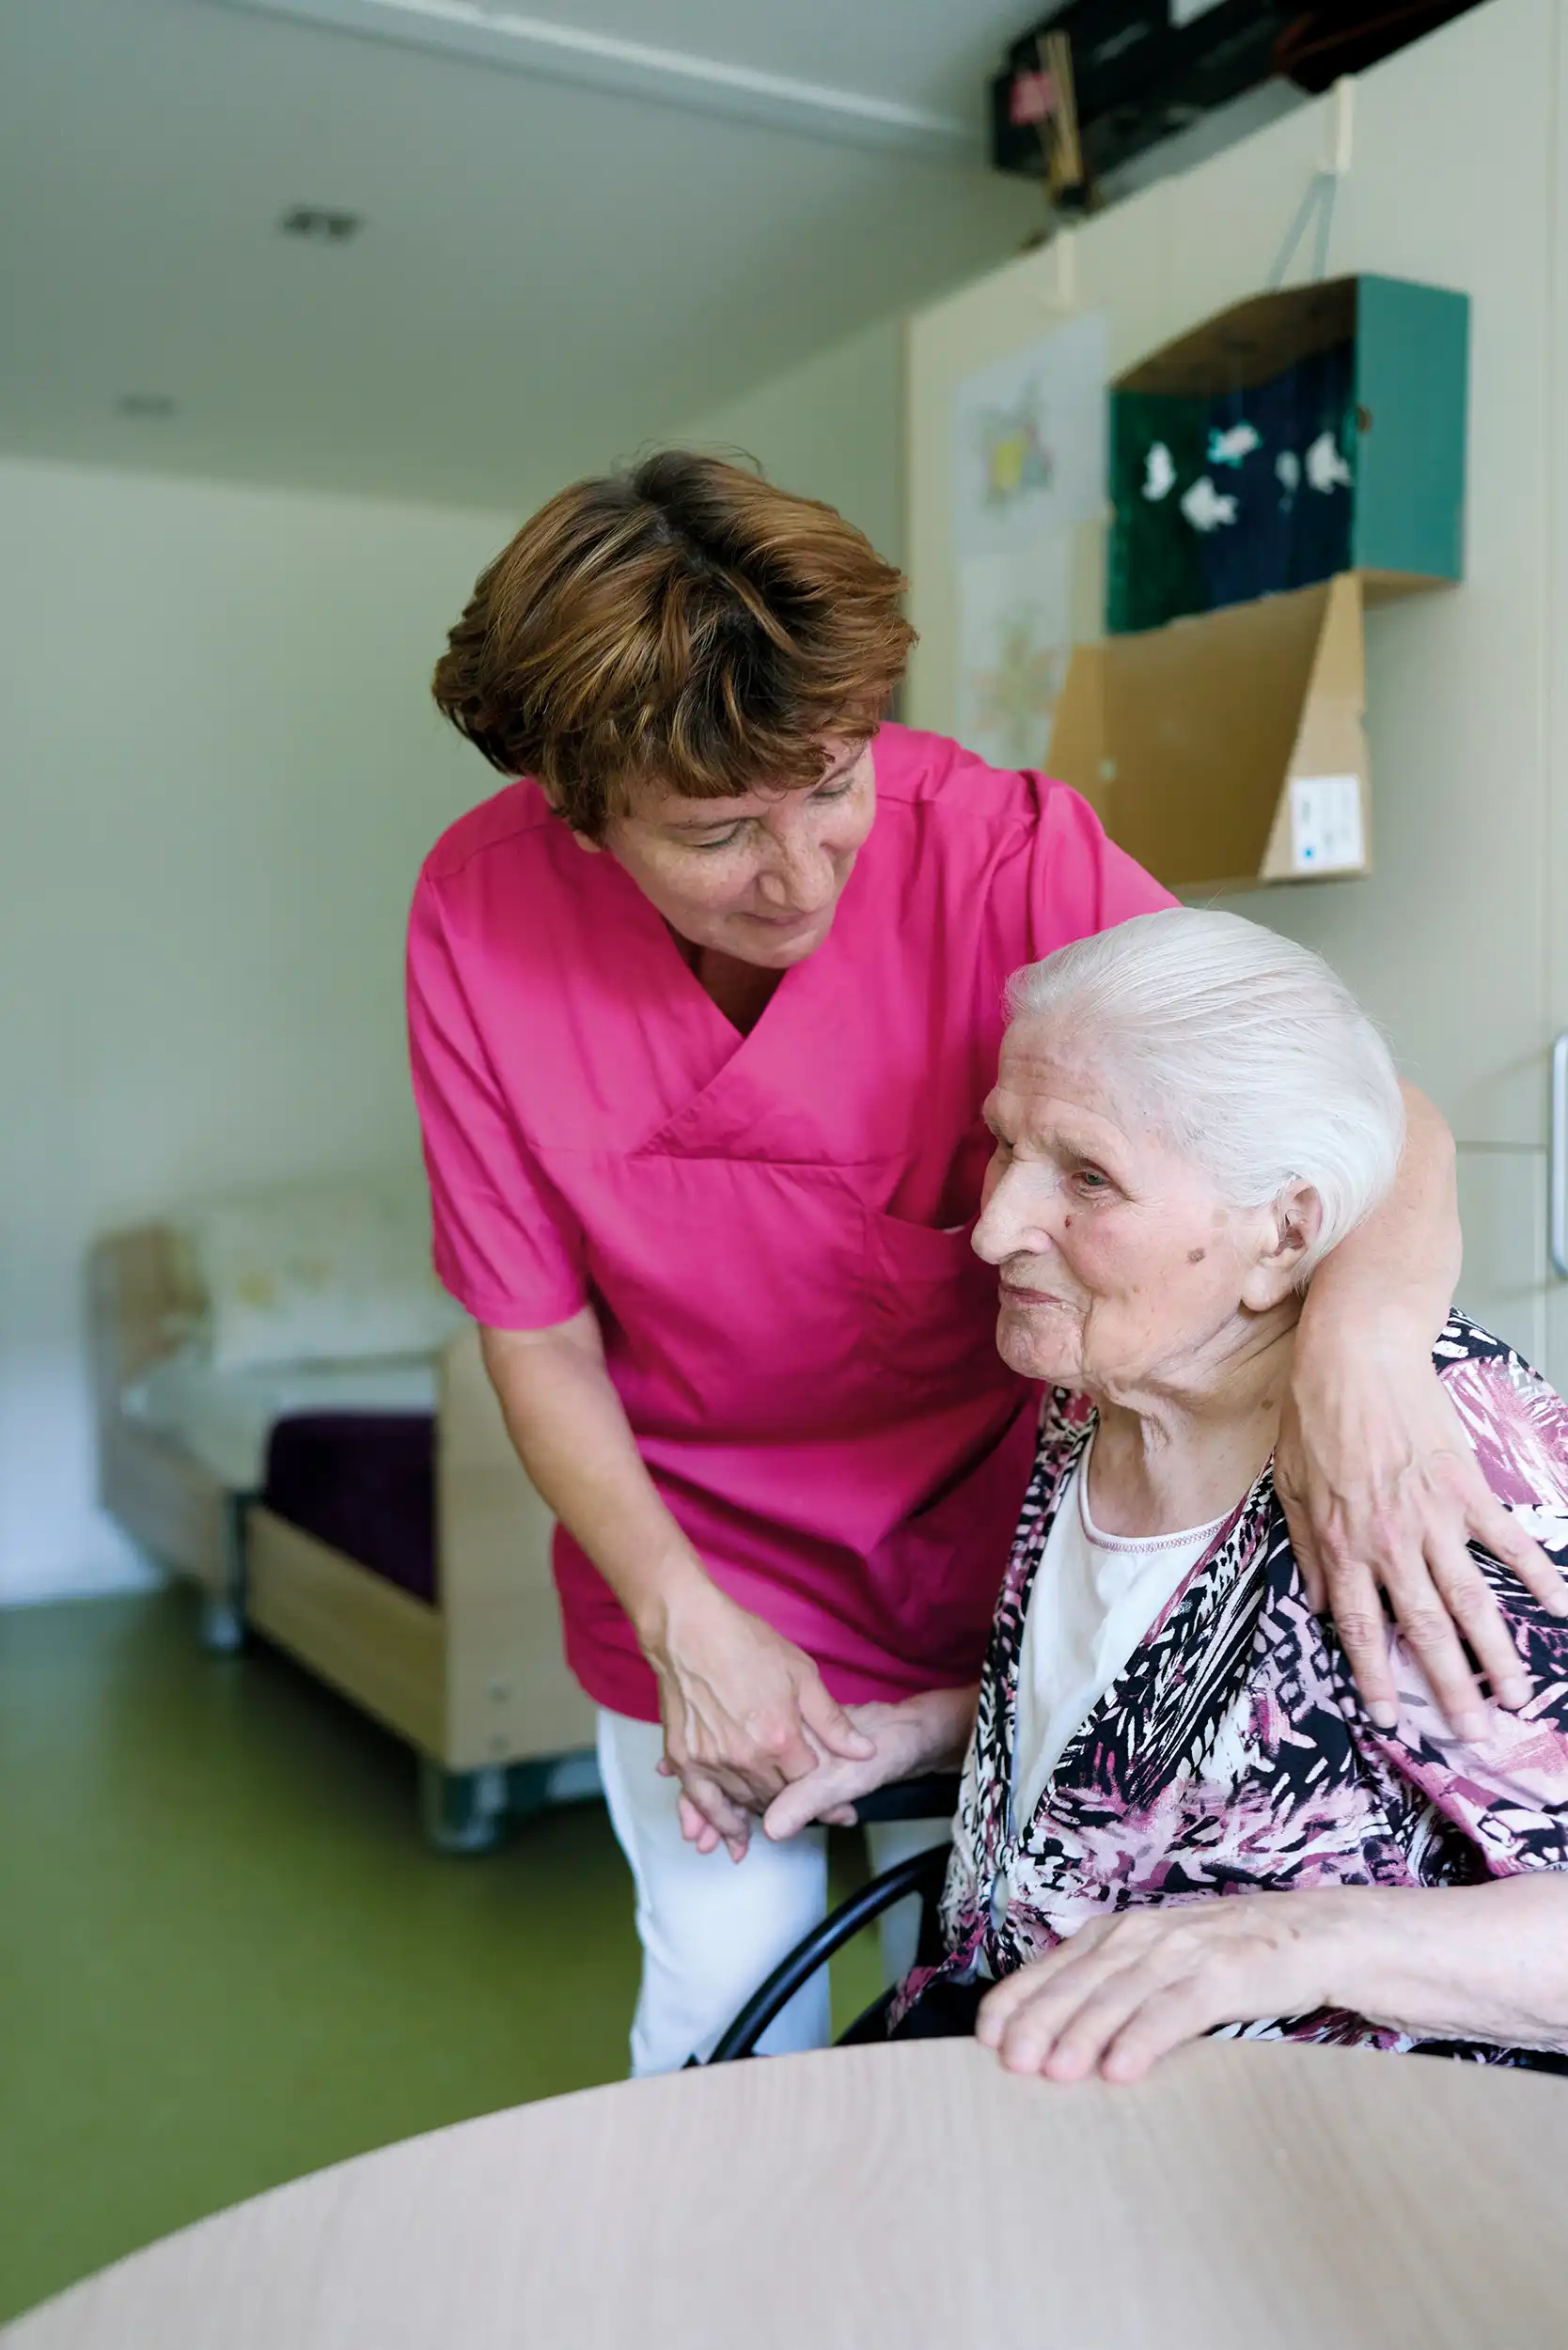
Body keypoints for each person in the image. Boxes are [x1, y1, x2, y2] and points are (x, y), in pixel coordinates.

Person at [407, 451, 1554, 2075]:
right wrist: (685, 1623)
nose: (799, 872)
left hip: (1003, 1549)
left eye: (829, 784)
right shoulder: (477, 914)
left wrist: (1362, 1369)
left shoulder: (1001, 851)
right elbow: (530, 1331)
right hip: (698, 1562)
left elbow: (1348, 1118)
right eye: (720, 831)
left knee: (1006, 1982)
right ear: (576, 813)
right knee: (723, 2007)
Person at [763, 910, 1568, 2078]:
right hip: (1023, 2077)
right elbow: (1178, 1724)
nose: (992, 1229)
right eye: (1006, 1147)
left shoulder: (1443, 1461)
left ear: (1284, 1232)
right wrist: (935, 1731)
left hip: (1312, 2173)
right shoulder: (1106, 1385)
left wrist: (1294, 1941)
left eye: (1088, 1176)